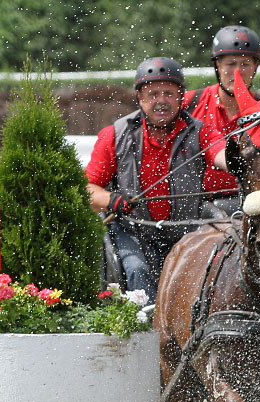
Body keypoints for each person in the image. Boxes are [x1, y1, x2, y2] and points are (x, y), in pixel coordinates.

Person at [86, 56, 228, 303]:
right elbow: (87, 190)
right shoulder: (114, 135)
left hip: (188, 231)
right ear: (140, 98)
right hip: (132, 231)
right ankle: (147, 332)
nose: (161, 100)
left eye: (168, 93)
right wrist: (112, 200)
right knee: (137, 270)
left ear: (181, 97)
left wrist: (239, 159)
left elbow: (221, 154)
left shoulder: (201, 130)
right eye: (153, 94)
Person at [181, 26, 260, 209]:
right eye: (230, 64)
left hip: (250, 204)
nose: (238, 72)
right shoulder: (188, 104)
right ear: (218, 65)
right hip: (195, 206)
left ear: (255, 67)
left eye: (245, 64)